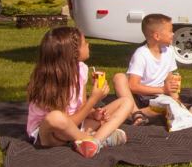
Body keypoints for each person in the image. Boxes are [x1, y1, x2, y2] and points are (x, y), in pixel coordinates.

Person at [26, 26, 133, 158]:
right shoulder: (49, 81)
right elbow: (65, 121)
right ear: (73, 53)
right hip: (51, 135)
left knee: (126, 102)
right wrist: (94, 99)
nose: (88, 44)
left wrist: (94, 113)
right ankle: (95, 140)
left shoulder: (81, 69)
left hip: (75, 127)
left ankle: (93, 142)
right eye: (84, 43)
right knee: (55, 117)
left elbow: (80, 108)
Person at [113, 13, 183, 126]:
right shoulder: (141, 54)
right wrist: (163, 90)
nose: (173, 34)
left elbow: (170, 78)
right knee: (119, 77)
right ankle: (135, 113)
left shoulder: (169, 52)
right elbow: (132, 86)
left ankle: (135, 114)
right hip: (139, 96)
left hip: (158, 98)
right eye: (170, 31)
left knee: (170, 106)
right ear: (157, 36)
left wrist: (176, 98)